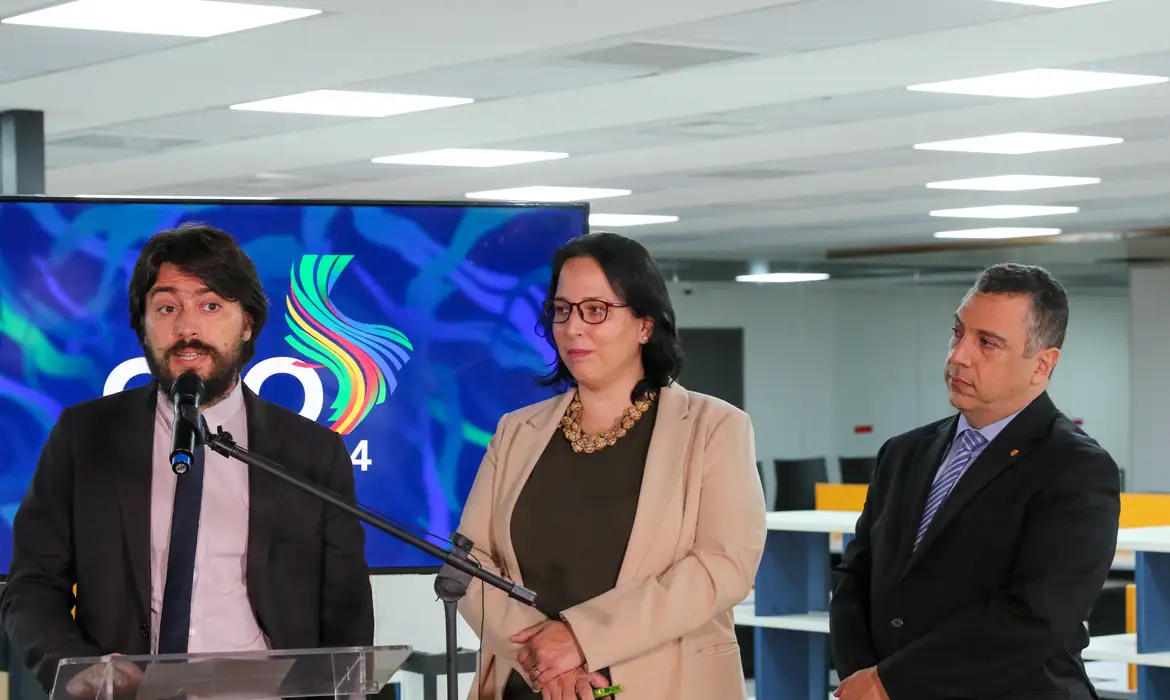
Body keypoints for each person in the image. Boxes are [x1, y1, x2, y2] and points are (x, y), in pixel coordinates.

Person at [0, 223, 374, 693]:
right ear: (143, 324)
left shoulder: (310, 451)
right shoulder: (85, 437)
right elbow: (32, 586)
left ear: (248, 323)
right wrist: (76, 667)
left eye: (211, 305)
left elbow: (347, 608)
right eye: (167, 307)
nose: (187, 327)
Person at [455, 231, 766, 700]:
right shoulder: (516, 432)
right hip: (529, 685)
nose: (573, 327)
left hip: (665, 684)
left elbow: (722, 567)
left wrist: (581, 638)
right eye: (562, 310)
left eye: (595, 310)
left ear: (644, 323)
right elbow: (471, 562)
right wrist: (545, 662)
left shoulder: (715, 427)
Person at [829, 263, 1121, 700]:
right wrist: (863, 677)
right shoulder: (904, 452)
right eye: (958, 333)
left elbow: (1034, 617)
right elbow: (857, 577)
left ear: (1042, 364)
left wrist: (893, 682)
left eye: (988, 343)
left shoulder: (1076, 468)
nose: (959, 356)